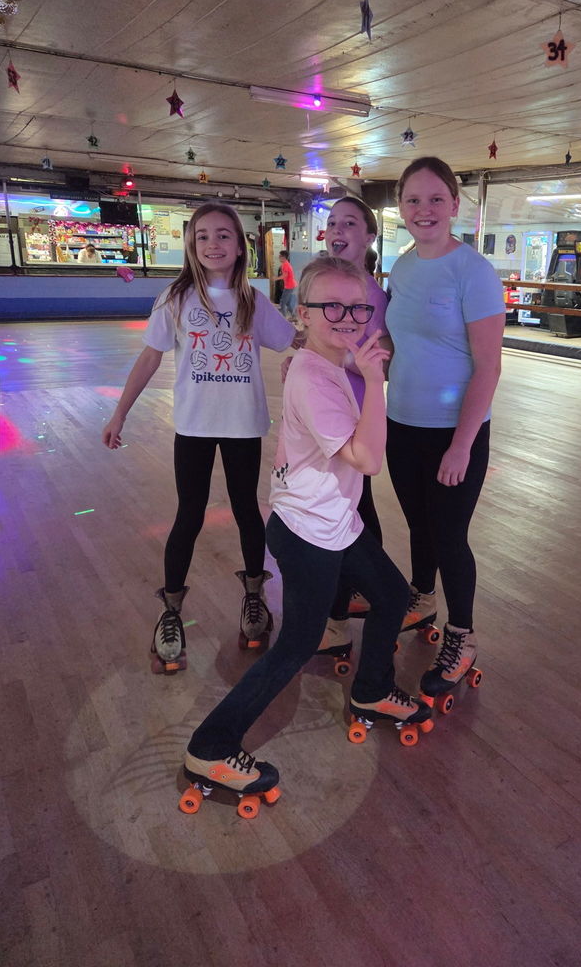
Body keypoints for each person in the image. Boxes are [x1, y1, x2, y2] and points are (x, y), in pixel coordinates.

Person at [182, 256, 430, 800]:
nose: (348, 317)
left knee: (391, 596)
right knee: (294, 646)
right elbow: (366, 458)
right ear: (303, 313)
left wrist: (361, 373)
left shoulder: (326, 363)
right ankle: (212, 743)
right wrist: (373, 378)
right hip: (309, 533)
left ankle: (371, 691)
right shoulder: (316, 378)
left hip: (335, 520)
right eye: (332, 307)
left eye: (359, 307)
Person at [102, 202, 297, 673]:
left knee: (248, 510)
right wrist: (119, 413)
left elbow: (295, 342)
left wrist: (344, 357)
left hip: (243, 426)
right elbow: (149, 358)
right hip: (193, 426)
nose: (213, 244)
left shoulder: (254, 300)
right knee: (188, 515)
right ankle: (170, 612)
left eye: (224, 235)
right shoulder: (176, 298)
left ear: (239, 245)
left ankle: (254, 598)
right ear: (191, 243)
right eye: (204, 235)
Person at [385, 156, 505, 703]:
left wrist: (462, 443)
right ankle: (421, 595)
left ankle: (463, 637)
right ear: (401, 209)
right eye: (413, 200)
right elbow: (400, 345)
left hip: (453, 432)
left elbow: (488, 365)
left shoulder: (473, 272)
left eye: (436, 199)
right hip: (401, 423)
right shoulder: (403, 266)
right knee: (418, 524)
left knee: (450, 536)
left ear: (455, 205)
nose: (424, 209)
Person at [316, 197, 388, 658]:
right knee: (351, 509)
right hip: (328, 416)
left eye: (349, 223)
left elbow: (375, 361)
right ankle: (360, 598)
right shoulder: (330, 287)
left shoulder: (374, 297)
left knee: (350, 514)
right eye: (332, 223)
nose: (337, 229)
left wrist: (320, 356)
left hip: (354, 420)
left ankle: (343, 615)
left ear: (368, 237)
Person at [275, 250, 297, 319]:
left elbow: (285, 275)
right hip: (290, 285)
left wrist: (276, 279)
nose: (279, 257)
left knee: (282, 303)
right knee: (287, 302)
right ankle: (294, 316)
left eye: (280, 256)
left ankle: (283, 319)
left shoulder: (285, 265)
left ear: (284, 257)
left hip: (289, 286)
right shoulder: (285, 264)